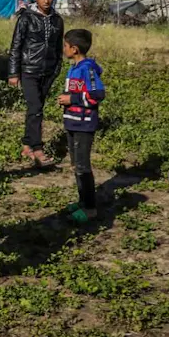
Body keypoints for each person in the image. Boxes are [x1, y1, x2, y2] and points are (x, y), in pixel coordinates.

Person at [8, 0, 64, 166]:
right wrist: (13, 73)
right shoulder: (26, 18)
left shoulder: (57, 20)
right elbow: (16, 46)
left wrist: (56, 69)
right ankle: (38, 149)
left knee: (35, 110)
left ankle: (26, 145)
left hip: (48, 71)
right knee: (36, 109)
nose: (46, 1)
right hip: (29, 70)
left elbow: (58, 48)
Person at [56, 29, 105, 224]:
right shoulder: (73, 67)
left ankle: (90, 208)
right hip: (72, 121)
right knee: (76, 165)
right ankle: (82, 201)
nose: (64, 48)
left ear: (74, 49)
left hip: (84, 125)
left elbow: (97, 95)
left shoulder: (88, 69)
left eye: (65, 45)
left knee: (83, 166)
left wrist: (72, 98)